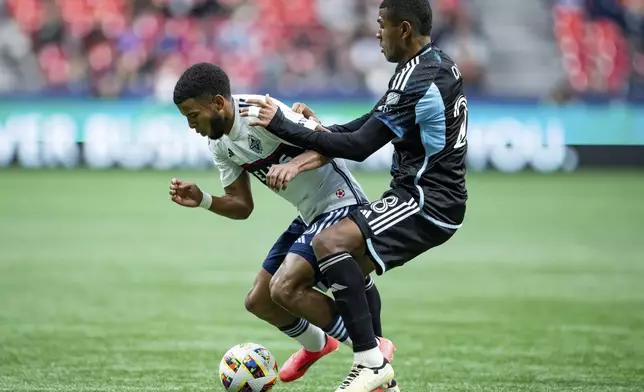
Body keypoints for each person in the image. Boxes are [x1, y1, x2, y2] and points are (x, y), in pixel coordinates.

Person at [239, 0, 468, 390]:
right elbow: (368, 123)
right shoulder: (427, 65)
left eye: (382, 25)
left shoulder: (420, 76)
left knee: (331, 242)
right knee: (316, 271)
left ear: (405, 29)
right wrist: (321, 129)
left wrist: (284, 126)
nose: (376, 33)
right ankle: (380, 378)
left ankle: (369, 359)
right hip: (414, 193)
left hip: (428, 200)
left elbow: (361, 145)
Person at [168, 63, 398, 391]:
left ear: (218, 103)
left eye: (193, 115)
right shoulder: (219, 144)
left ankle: (371, 350)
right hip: (309, 214)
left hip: (342, 202)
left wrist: (294, 164)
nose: (191, 125)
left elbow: (331, 142)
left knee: (284, 288)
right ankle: (320, 344)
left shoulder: (262, 113)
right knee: (260, 300)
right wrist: (204, 199)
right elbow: (242, 206)